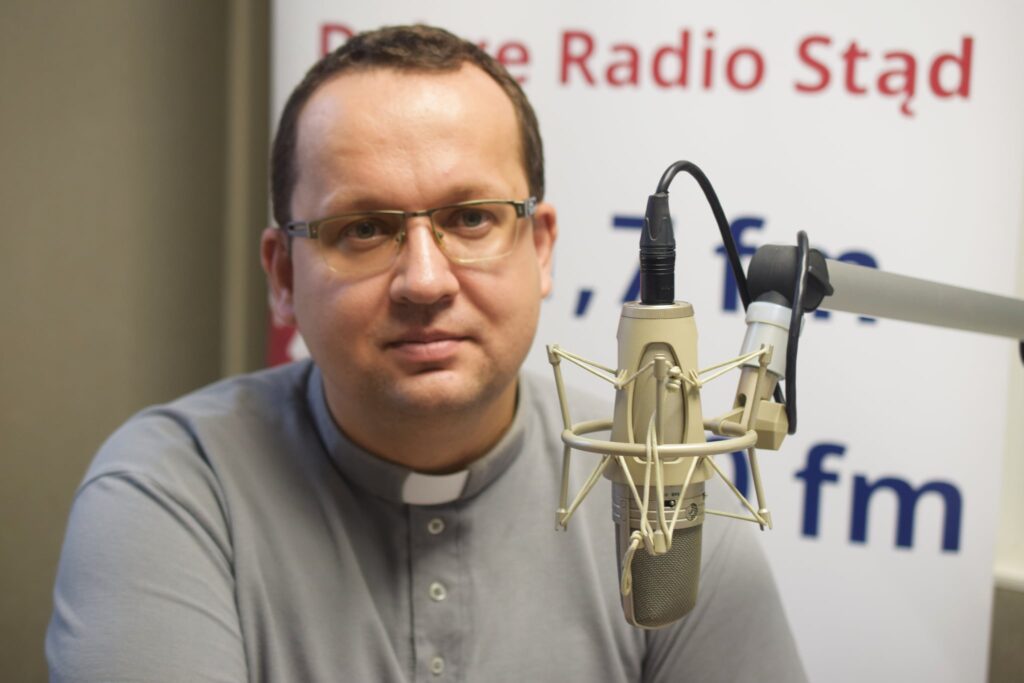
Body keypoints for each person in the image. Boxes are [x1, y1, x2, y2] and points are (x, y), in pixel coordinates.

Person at [46, 24, 806, 682]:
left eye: (471, 218)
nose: (424, 280)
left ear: (540, 248)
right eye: (363, 229)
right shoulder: (173, 491)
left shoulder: (661, 481)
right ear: (282, 276)